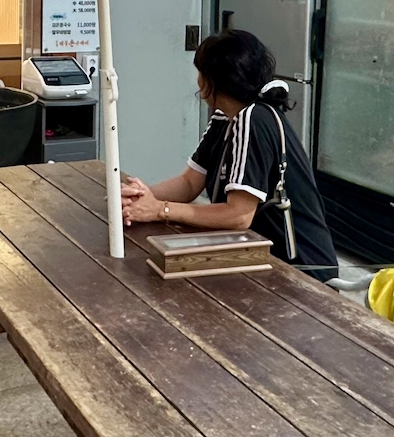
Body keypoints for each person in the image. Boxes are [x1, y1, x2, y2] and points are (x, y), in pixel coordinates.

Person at [120, 29, 338, 282]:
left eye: (200, 72)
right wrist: (140, 197)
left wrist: (160, 210)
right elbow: (189, 183)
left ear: (212, 80)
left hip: (300, 273)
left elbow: (238, 215)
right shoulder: (225, 117)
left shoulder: (253, 118)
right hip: (254, 258)